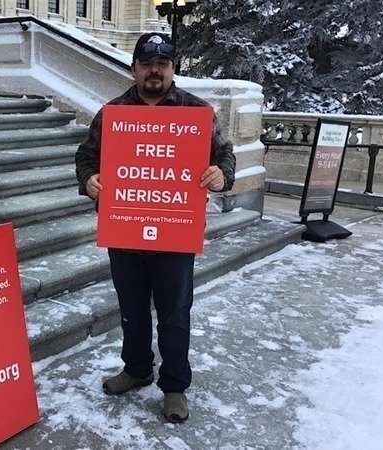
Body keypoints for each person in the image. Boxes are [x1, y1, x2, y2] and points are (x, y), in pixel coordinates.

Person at [74, 32, 236, 423]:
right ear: (134, 69)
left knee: (175, 314)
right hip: (125, 231)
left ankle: (175, 386)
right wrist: (89, 179)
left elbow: (224, 154)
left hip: (175, 234)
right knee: (131, 310)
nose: (154, 71)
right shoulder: (113, 113)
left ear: (173, 69)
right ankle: (137, 369)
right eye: (147, 64)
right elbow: (86, 155)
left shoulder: (197, 112)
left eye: (162, 64)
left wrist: (221, 174)